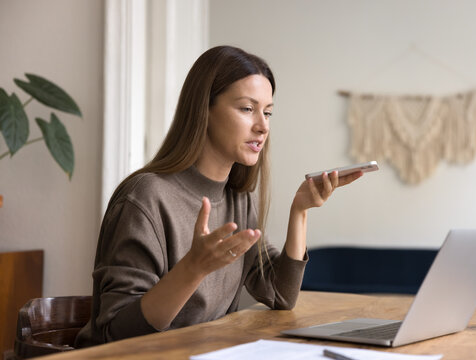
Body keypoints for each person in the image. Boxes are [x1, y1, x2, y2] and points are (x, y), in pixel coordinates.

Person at [75, 45, 362, 347]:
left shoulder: (237, 199)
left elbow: (280, 294)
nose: (263, 126)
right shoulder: (145, 197)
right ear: (204, 110)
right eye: (247, 109)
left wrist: (300, 211)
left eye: (268, 112)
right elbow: (117, 333)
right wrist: (193, 269)